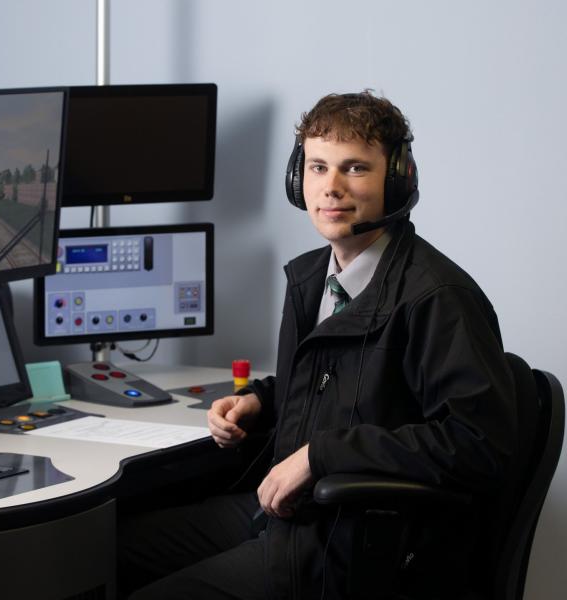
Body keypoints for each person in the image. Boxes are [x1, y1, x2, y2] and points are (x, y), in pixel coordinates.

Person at [118, 91, 517, 599]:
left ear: (397, 181)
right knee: (107, 548)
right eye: (317, 167)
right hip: (287, 513)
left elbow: (479, 444)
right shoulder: (313, 279)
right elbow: (339, 385)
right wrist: (260, 400)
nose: (330, 188)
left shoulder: (437, 297)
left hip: (355, 541)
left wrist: (319, 456)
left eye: (354, 169)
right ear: (296, 178)